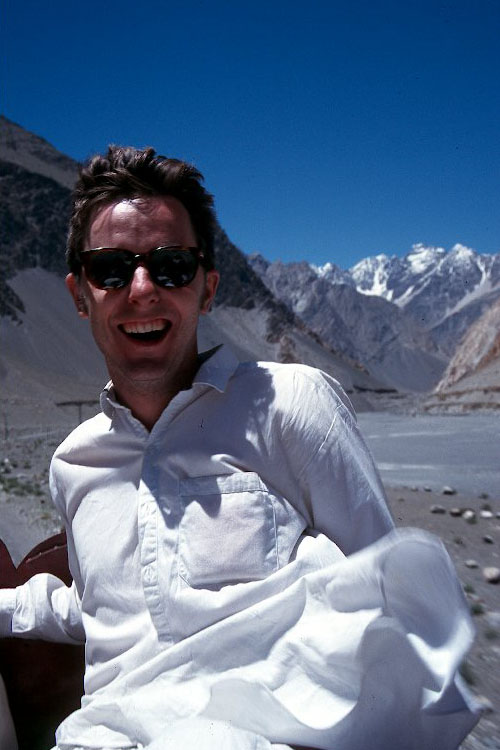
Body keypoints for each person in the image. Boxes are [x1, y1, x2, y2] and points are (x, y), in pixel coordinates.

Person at [0, 146, 479, 750]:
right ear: (78, 294)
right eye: (111, 269)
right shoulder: (73, 464)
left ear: (207, 289)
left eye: (172, 266)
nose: (142, 289)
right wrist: (11, 607)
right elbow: (106, 607)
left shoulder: (293, 405)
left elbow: (383, 592)